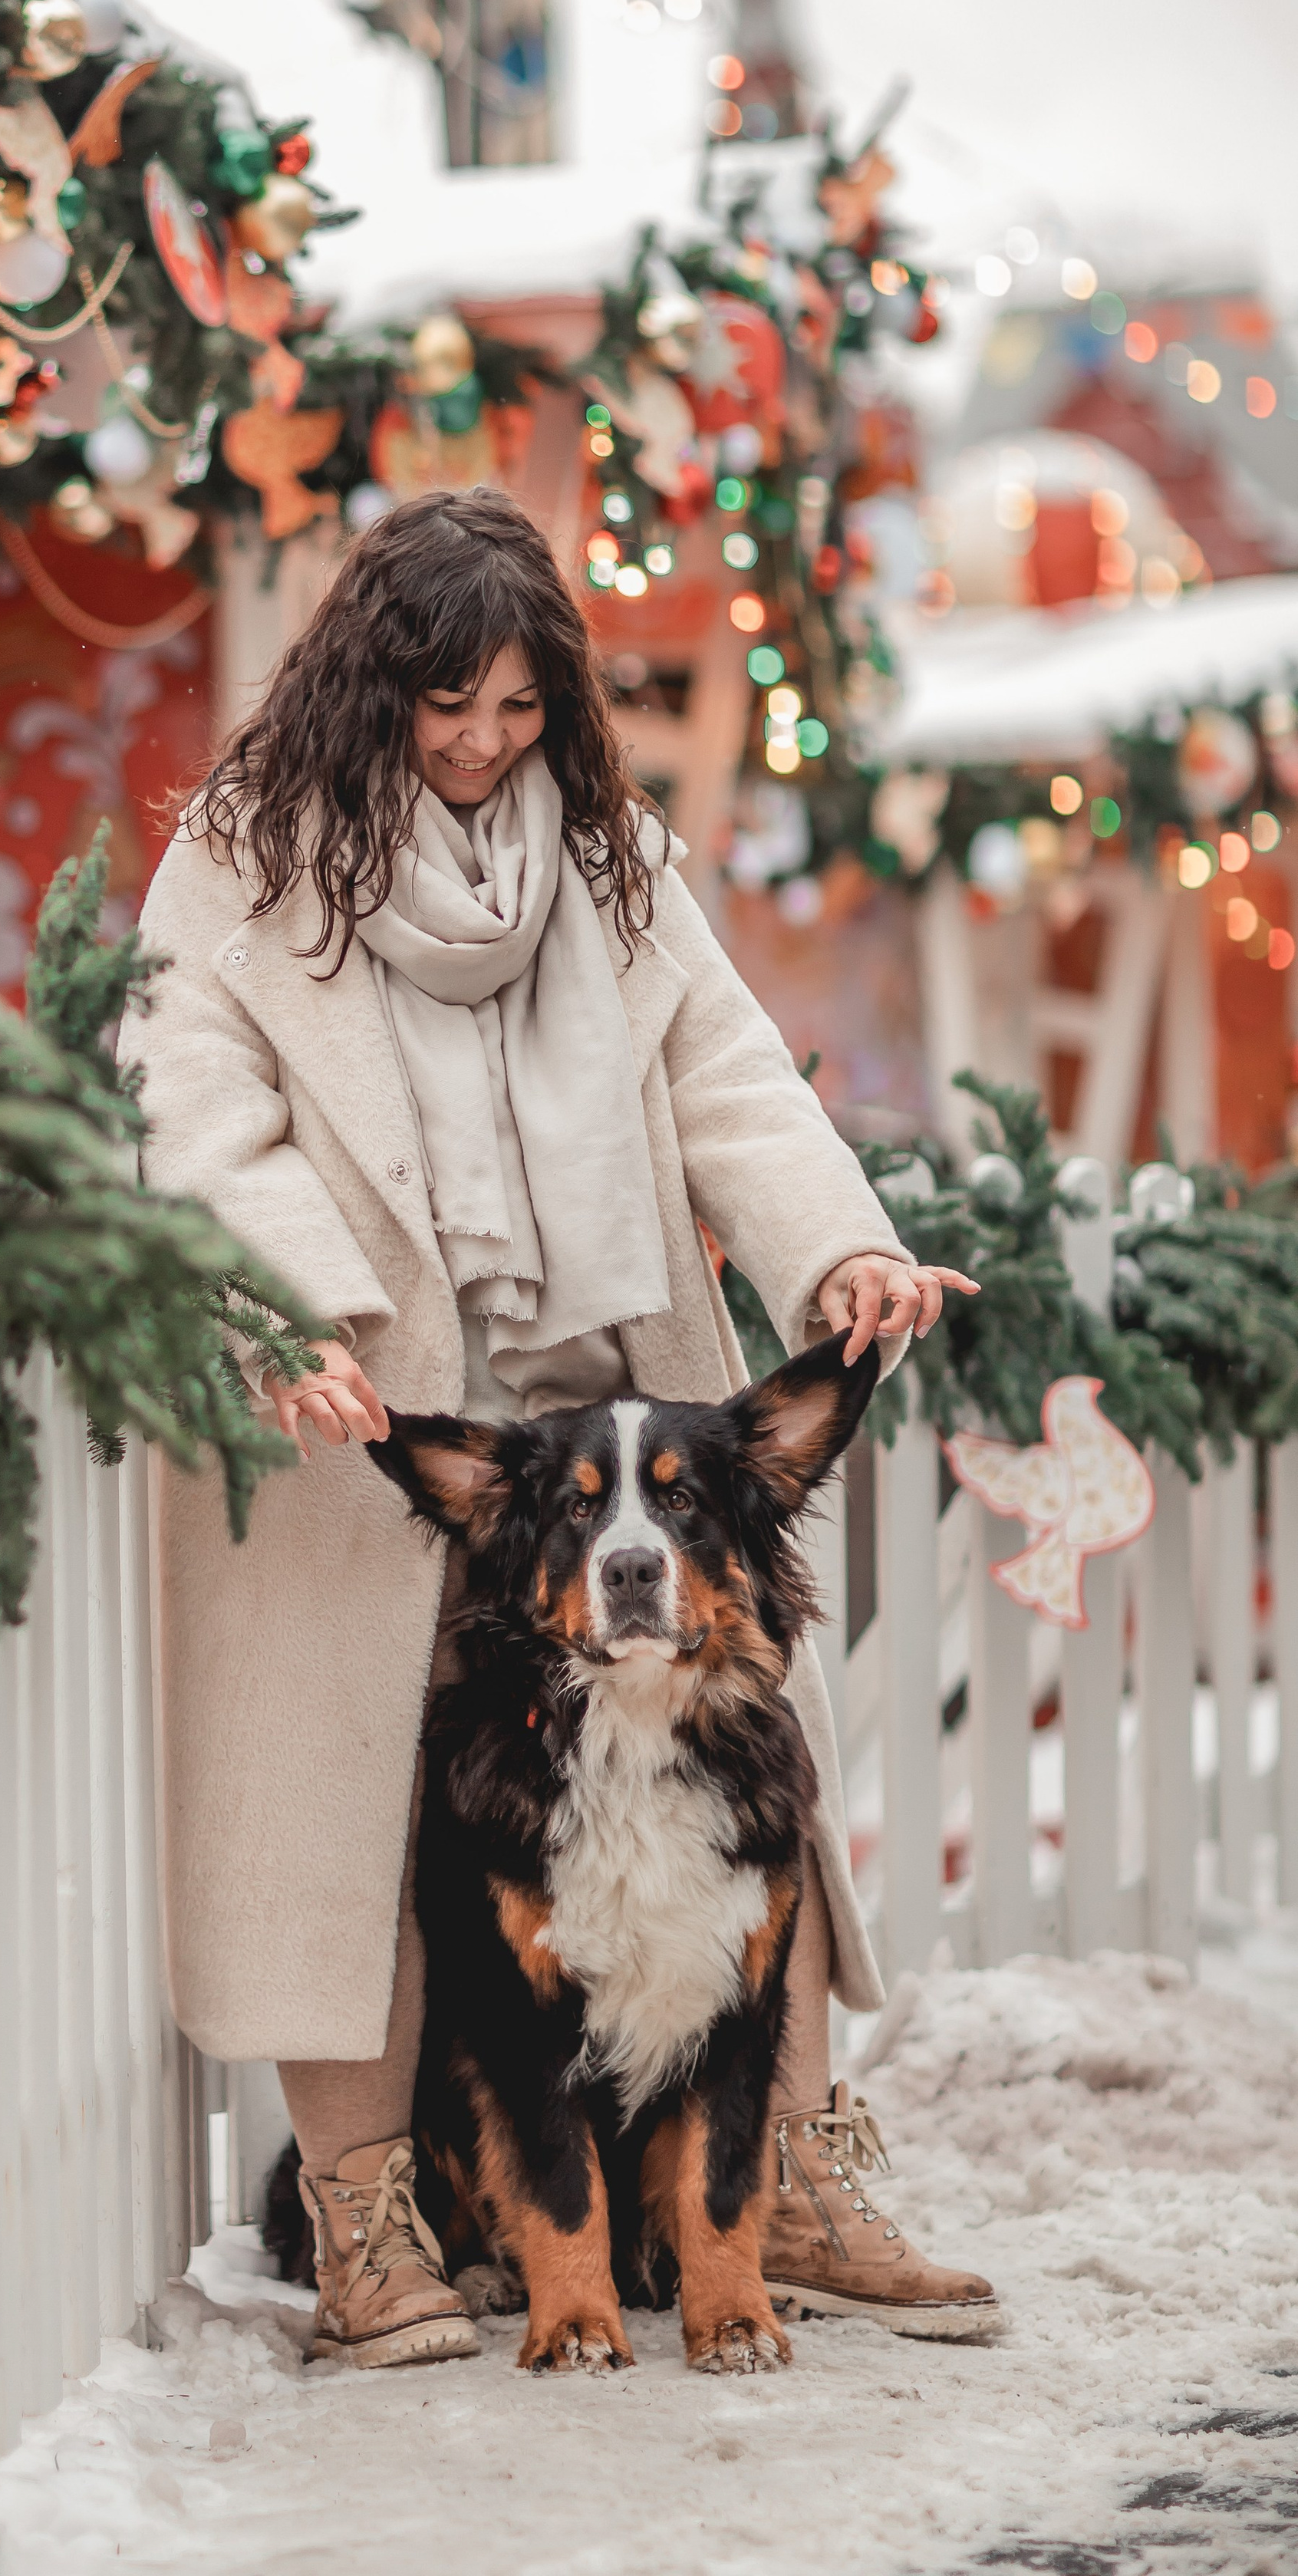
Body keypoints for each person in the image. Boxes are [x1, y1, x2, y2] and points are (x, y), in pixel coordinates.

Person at [119, 486, 1000, 2368]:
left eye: (517, 710)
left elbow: (728, 1078)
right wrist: (294, 1311)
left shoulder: (607, 863)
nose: (475, 744)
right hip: (355, 1404)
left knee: (726, 1785)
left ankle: (791, 2184)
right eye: (442, 705)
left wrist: (838, 1248)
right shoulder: (238, 862)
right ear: (368, 682)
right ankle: (368, 2220)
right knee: (346, 1818)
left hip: (601, 1403)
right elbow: (195, 1103)